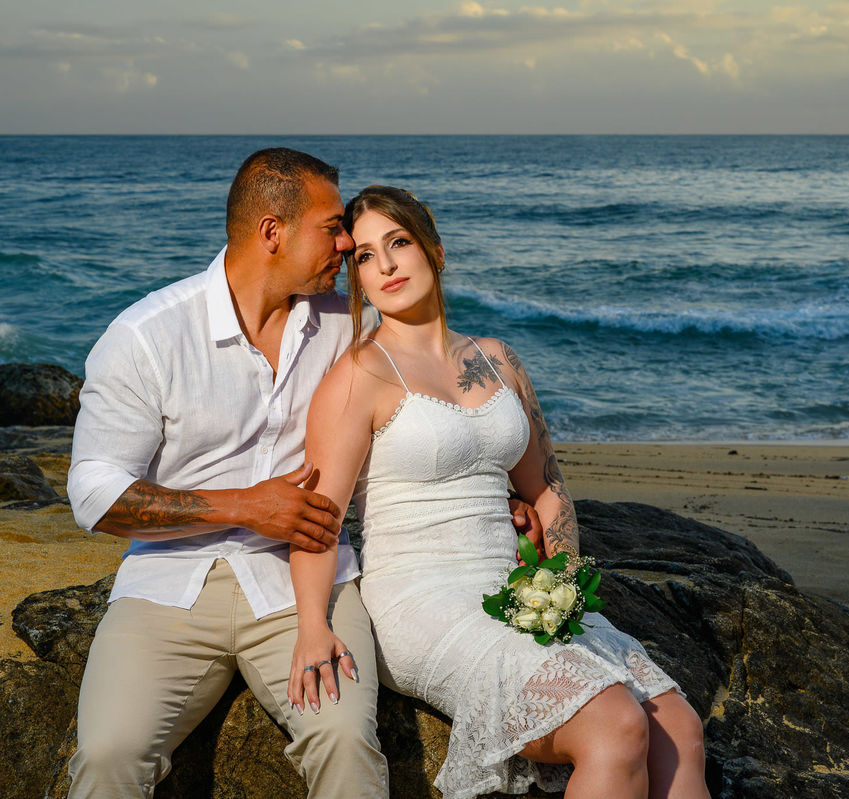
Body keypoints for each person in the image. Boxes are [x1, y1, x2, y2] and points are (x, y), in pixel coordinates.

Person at [288, 185, 710, 799]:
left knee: (680, 728)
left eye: (399, 243)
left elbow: (547, 490)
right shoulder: (358, 376)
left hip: (512, 588)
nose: (384, 266)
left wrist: (558, 587)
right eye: (365, 256)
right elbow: (318, 517)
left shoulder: (498, 360)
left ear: (433, 249)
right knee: (615, 726)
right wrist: (311, 626)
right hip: (419, 596)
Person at [64, 149, 388, 798]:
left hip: (308, 579)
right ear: (273, 232)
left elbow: (407, 430)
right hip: (168, 587)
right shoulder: (147, 336)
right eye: (332, 226)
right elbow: (93, 493)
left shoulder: (352, 327)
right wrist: (242, 505)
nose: (348, 242)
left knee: (347, 739)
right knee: (107, 754)